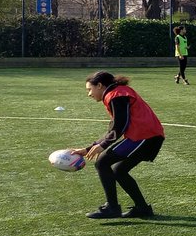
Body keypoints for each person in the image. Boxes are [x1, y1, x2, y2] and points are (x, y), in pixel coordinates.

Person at [70, 71, 165, 219]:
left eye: (90, 89)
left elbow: (120, 124)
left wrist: (104, 145)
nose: (89, 94)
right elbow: (114, 127)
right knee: (119, 170)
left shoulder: (116, 94)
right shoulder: (116, 93)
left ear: (100, 85)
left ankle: (112, 208)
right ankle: (143, 209)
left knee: (102, 162)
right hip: (147, 136)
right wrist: (89, 148)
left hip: (145, 136)